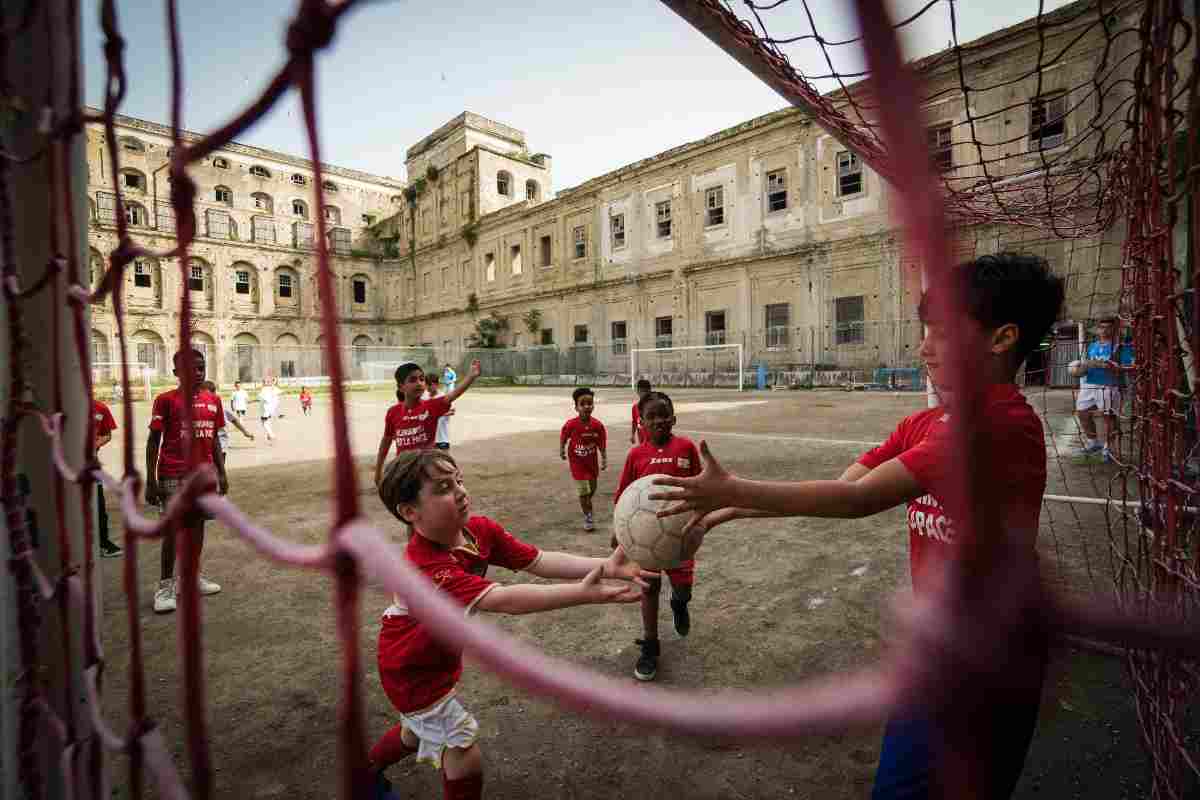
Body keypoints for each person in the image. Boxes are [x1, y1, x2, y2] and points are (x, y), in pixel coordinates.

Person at [651, 253, 1065, 800]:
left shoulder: (997, 426)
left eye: (941, 333)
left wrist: (733, 490)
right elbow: (842, 484)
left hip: (991, 663)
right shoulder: (927, 422)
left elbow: (857, 500)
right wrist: (733, 507)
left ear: (1001, 338)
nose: (923, 348)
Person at [369, 449, 649, 800]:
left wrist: (607, 566)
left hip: (435, 656)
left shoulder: (478, 532)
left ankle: (365, 773)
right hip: (411, 668)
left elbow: (539, 560)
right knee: (463, 752)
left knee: (416, 731)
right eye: (442, 487)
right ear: (410, 512)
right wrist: (583, 593)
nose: (459, 491)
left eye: (458, 480)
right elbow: (505, 600)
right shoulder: (426, 567)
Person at [614, 390, 700, 682]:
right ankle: (651, 645)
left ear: (673, 418)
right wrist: (619, 532)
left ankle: (679, 602)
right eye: (651, 416)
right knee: (648, 589)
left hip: (680, 538)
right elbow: (624, 497)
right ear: (641, 423)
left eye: (664, 414)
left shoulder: (687, 448)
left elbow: (702, 487)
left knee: (684, 588)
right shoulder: (636, 455)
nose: (659, 421)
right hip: (645, 539)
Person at [145, 349, 229, 614]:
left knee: (198, 526)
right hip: (173, 475)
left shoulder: (213, 400)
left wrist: (222, 472)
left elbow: (214, 438)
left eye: (201, 367)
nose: (198, 372)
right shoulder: (165, 401)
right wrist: (151, 480)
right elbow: (152, 441)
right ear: (176, 373)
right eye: (191, 368)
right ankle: (165, 586)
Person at [374, 360, 481, 488]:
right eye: (412, 380)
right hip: (404, 471)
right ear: (401, 387)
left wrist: (471, 376)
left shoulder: (431, 406)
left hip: (427, 470)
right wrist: (378, 470)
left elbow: (452, 395)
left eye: (421, 379)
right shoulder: (393, 412)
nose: (419, 383)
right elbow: (386, 441)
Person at [1075, 317, 1133, 463]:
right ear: (1098, 329)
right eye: (1102, 327)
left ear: (1114, 329)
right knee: (1082, 413)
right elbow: (1087, 364)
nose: (1104, 330)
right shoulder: (1092, 346)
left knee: (1109, 418)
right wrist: (1080, 369)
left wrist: (1111, 366)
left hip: (1110, 385)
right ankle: (1094, 443)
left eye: (1108, 327)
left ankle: (1108, 449)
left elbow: (1128, 367)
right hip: (1090, 384)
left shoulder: (1120, 347)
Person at [560, 387, 607, 531]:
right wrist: (562, 449)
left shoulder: (597, 425)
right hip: (577, 464)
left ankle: (586, 501)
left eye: (590, 403)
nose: (587, 406)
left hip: (591, 464)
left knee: (592, 489)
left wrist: (604, 458)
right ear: (576, 407)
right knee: (583, 491)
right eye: (583, 404)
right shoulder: (571, 424)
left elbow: (602, 443)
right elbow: (564, 437)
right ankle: (588, 516)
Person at [93, 397, 122, 558]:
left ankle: (103, 543)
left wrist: (97, 443)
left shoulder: (100, 408)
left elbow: (107, 434)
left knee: (98, 506)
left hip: (92, 465)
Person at [204, 381, 254, 456]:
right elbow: (234, 420)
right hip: (210, 445)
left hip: (220, 445)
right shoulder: (200, 406)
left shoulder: (220, 406)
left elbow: (233, 420)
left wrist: (245, 432)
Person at [423, 374, 453, 450]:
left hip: (442, 438)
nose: (428, 387)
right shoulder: (424, 397)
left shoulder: (443, 397)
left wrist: (437, 414)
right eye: (426, 385)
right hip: (428, 439)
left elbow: (452, 411)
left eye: (430, 385)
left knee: (444, 461)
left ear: (437, 384)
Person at [258, 377, 281, 443]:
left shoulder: (264, 389)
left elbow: (260, 398)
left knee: (264, 422)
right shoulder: (272, 388)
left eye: (264, 382)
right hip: (271, 409)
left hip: (265, 408)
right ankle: (269, 434)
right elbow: (277, 391)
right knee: (267, 421)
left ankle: (271, 434)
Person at [630, 378, 651, 445]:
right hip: (642, 443)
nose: (644, 394)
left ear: (650, 391)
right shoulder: (635, 408)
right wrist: (632, 435)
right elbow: (634, 422)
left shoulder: (656, 406)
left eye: (646, 391)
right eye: (642, 391)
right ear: (638, 392)